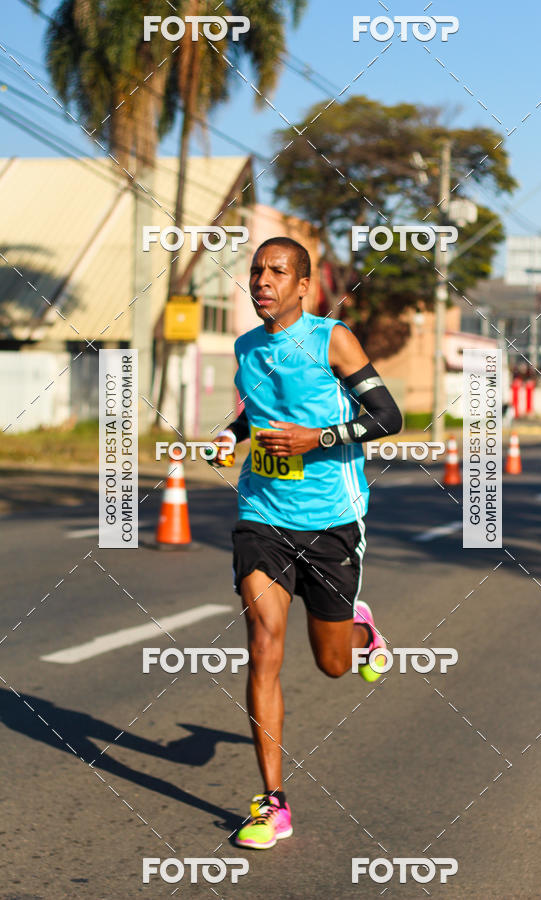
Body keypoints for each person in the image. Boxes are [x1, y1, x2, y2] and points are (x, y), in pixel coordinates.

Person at [209, 236, 402, 850]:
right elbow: (256, 414)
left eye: (277, 271)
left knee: (333, 663)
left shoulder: (331, 339)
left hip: (330, 520)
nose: (263, 279)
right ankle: (274, 803)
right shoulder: (245, 347)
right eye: (256, 270)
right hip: (261, 512)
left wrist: (316, 439)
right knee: (263, 642)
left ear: (302, 286)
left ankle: (361, 630)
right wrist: (229, 435)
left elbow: (388, 418)